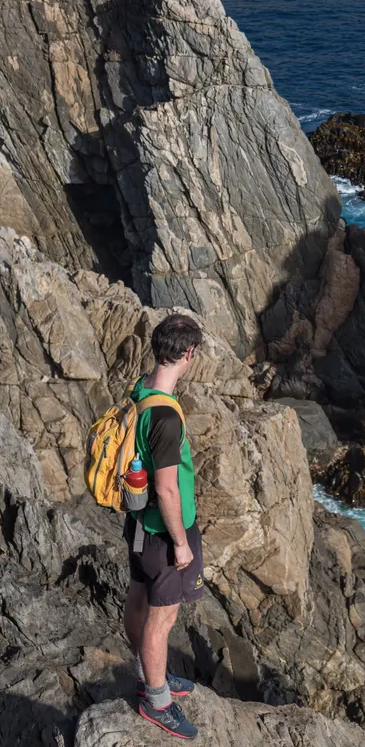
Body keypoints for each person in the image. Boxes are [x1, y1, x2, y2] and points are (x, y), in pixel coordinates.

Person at [123, 313, 205, 739]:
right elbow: (168, 490)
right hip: (162, 533)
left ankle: (147, 675)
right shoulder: (168, 419)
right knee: (162, 619)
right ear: (188, 354)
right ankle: (156, 701)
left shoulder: (141, 388)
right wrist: (181, 543)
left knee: (138, 598)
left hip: (138, 522)